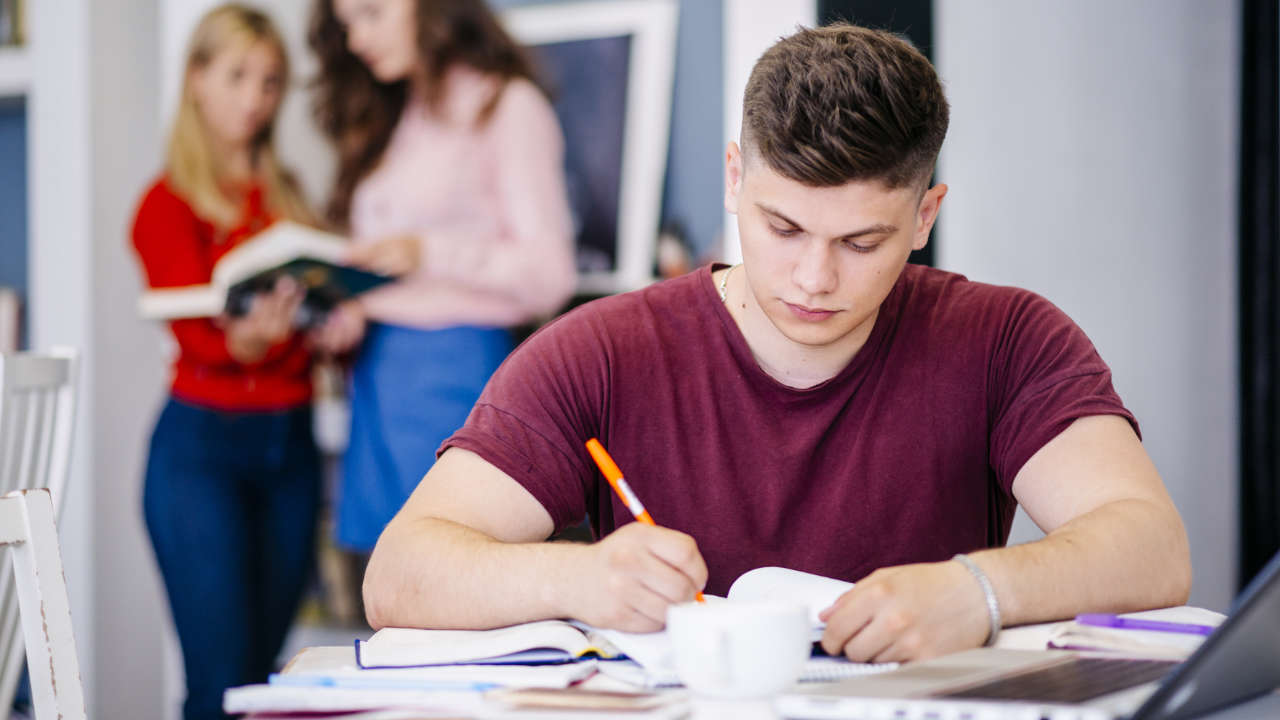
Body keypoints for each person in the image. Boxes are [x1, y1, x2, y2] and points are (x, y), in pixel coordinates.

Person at [362, 23, 1192, 662]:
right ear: (733, 178)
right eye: (782, 226)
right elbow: (400, 574)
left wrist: (980, 590)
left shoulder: (1007, 339)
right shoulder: (603, 351)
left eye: (862, 242)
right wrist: (578, 575)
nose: (813, 279)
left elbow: (1152, 545)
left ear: (926, 217)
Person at [307, 0, 577, 561]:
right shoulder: (390, 115)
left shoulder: (507, 107)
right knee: (385, 593)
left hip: (457, 378)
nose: (357, 39)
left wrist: (425, 253)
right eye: (346, 24)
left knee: (452, 581)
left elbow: (550, 276)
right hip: (378, 381)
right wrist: (355, 305)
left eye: (372, 13)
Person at [130, 5, 322, 719]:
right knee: (219, 685)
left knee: (260, 685)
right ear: (197, 82)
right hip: (201, 451)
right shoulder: (165, 204)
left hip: (291, 449)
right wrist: (248, 344)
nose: (255, 98)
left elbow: (306, 320)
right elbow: (199, 339)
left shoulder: (291, 198)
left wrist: (329, 324)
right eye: (238, 76)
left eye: (271, 82)